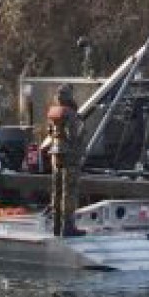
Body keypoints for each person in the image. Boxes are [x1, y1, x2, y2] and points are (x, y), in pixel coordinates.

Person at [43, 82, 84, 237]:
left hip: (55, 154)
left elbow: (49, 132)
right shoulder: (71, 114)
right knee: (69, 191)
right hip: (70, 157)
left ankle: (56, 225)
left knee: (57, 191)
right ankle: (68, 227)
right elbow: (74, 135)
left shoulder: (54, 113)